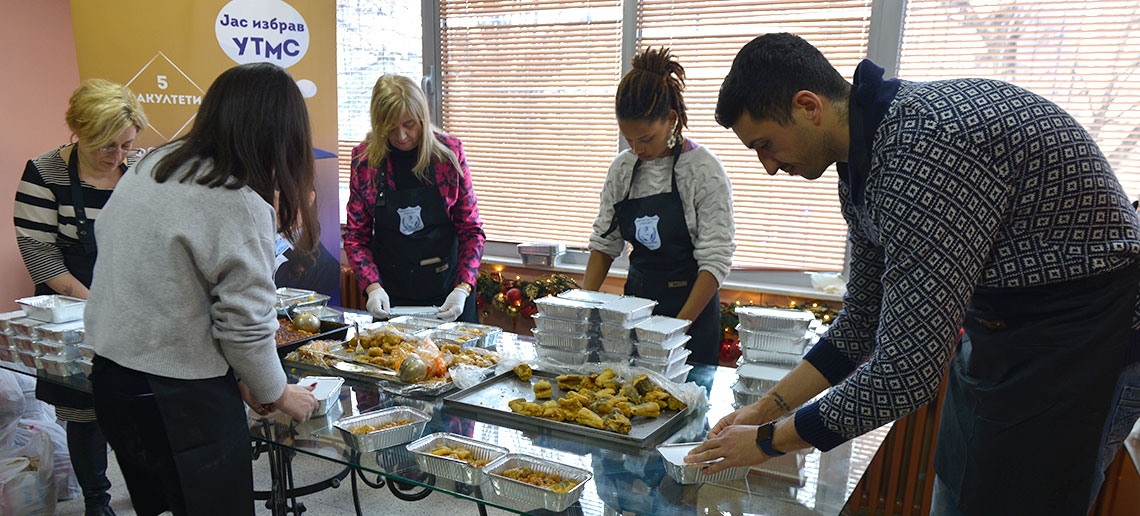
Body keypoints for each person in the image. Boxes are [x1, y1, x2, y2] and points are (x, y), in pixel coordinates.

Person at [685, 33, 1140, 516]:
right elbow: (862, 320)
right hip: (1000, 337)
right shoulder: (862, 161)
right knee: (962, 490)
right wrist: (765, 409)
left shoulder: (918, 153)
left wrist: (768, 442)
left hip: (1086, 338)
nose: (769, 167)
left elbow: (906, 375)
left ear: (807, 106)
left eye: (766, 145)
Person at [84, 62, 319, 515]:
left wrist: (249, 378)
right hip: (179, 400)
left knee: (161, 505)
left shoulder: (152, 165)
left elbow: (171, 289)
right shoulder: (236, 202)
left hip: (114, 380)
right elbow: (245, 328)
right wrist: (280, 393)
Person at [13, 78, 147, 516]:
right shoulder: (45, 172)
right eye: (106, 147)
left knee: (142, 402)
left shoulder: (141, 169)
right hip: (73, 301)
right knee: (85, 408)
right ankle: (96, 501)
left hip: (136, 297)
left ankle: (151, 492)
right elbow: (40, 254)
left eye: (126, 145)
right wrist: (96, 305)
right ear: (78, 131)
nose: (117, 156)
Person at [584, 47, 735, 366]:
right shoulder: (623, 170)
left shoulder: (703, 171)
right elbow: (605, 242)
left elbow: (715, 259)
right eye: (629, 139)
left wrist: (677, 329)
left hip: (692, 316)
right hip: (636, 308)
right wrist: (583, 305)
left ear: (671, 119)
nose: (637, 149)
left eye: (646, 138)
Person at [343, 74, 485, 323]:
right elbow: (356, 237)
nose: (401, 136)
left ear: (422, 117)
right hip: (391, 294)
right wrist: (372, 287)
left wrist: (463, 288)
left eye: (409, 124)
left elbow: (471, 231)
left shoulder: (449, 155)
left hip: (449, 291)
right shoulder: (365, 162)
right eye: (390, 127)